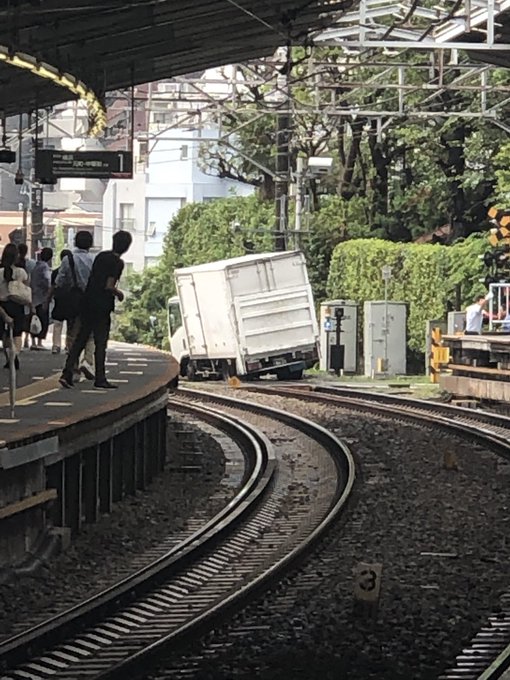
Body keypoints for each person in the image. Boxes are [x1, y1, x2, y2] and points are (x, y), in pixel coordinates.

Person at [59, 230, 132, 389]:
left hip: (87, 301)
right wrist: (118, 293)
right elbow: (109, 285)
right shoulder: (117, 263)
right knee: (100, 343)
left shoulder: (100, 256)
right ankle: (100, 378)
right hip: (102, 306)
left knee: (80, 339)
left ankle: (67, 372)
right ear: (126, 247)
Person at [54, 231, 95, 379]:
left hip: (73, 302)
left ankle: (74, 366)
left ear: (75, 242)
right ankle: (88, 362)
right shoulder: (94, 259)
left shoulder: (68, 259)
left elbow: (60, 281)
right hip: (90, 300)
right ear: (90, 244)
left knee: (72, 334)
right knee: (90, 334)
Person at [0, 243, 29, 370]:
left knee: (4, 335)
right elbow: (27, 287)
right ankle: (15, 354)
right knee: (17, 334)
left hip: (3, 306)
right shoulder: (21, 272)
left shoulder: (0, 272)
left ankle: (10, 356)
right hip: (18, 306)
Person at [49, 248, 72, 354]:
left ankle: (56, 345)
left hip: (59, 299)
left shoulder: (55, 272)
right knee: (71, 323)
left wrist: (48, 298)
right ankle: (69, 345)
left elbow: (53, 286)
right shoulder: (74, 272)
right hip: (71, 300)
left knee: (57, 323)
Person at [29, 247, 53, 349]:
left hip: (34, 296)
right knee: (43, 320)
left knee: (34, 319)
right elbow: (48, 280)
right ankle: (39, 342)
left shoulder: (35, 266)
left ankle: (33, 341)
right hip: (42, 297)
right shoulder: (45, 267)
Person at [16, 243, 36, 349]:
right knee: (28, 317)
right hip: (26, 292)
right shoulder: (31, 264)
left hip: (14, 294)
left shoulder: (13, 264)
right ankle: (26, 339)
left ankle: (14, 339)